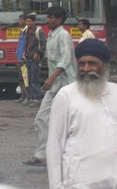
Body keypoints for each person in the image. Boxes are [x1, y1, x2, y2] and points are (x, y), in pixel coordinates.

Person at [47, 39, 117, 188]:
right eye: (81, 64)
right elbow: (54, 145)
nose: (86, 68)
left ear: (104, 66)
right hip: (79, 183)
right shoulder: (66, 95)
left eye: (92, 63)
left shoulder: (115, 93)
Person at [24, 6, 77, 167]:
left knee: (71, 123)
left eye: (52, 17)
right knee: (41, 118)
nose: (48, 20)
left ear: (60, 20)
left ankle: (70, 155)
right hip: (55, 88)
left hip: (67, 87)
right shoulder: (51, 35)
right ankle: (42, 154)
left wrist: (51, 78)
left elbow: (66, 61)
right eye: (48, 17)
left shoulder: (63, 36)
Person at [24, 14, 46, 107]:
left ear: (34, 22)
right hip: (27, 57)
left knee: (34, 78)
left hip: (35, 58)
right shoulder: (25, 31)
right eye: (27, 21)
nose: (28, 23)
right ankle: (31, 97)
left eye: (30, 21)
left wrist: (38, 53)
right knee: (28, 77)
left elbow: (44, 44)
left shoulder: (38, 31)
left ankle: (37, 98)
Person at [14, 14, 31, 104]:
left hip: (24, 59)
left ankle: (28, 97)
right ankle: (23, 96)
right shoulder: (22, 31)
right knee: (21, 78)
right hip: (20, 58)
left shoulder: (28, 32)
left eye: (20, 20)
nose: (19, 22)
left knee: (26, 79)